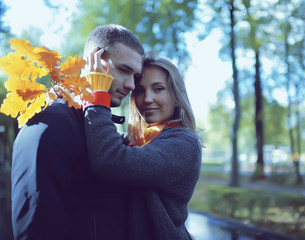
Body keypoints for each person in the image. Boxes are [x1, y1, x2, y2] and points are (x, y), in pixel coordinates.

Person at [11, 24, 144, 240]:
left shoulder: (97, 128)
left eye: (136, 77)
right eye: (124, 70)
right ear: (95, 62)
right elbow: (36, 228)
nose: (131, 85)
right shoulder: (51, 125)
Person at [83, 52, 202, 239]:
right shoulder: (142, 140)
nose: (147, 99)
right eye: (139, 91)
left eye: (158, 89)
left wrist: (98, 97)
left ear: (176, 94)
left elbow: (111, 159)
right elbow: (103, 142)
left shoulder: (184, 143)